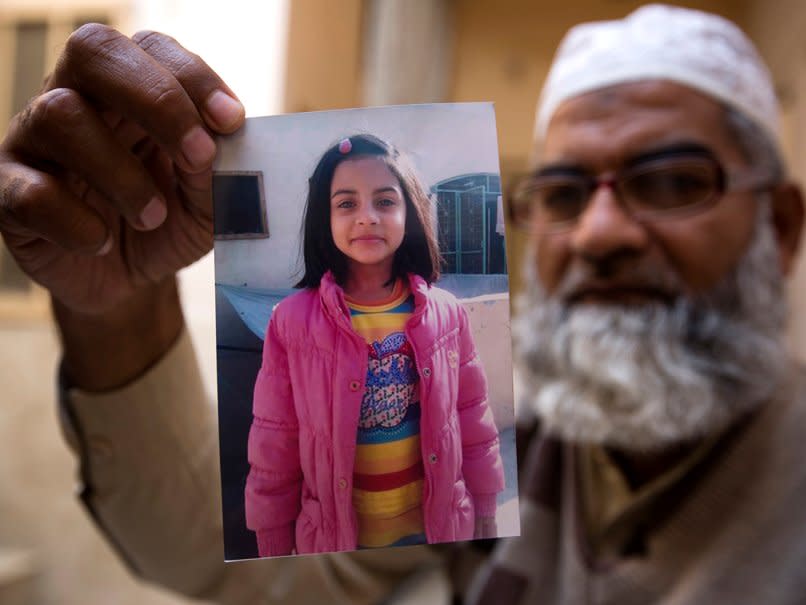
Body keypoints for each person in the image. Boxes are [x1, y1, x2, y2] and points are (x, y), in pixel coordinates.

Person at [1, 4, 805, 604]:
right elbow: (229, 567)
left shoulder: (454, 338)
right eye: (561, 192)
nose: (599, 232)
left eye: (670, 182)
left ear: (779, 225)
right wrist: (114, 300)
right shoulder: (529, 419)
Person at [245, 134, 503, 556]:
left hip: (438, 531)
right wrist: (271, 545)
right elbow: (274, 443)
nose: (367, 217)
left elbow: (473, 420)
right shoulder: (292, 323)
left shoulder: (446, 314)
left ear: (410, 213)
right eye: (346, 203)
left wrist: (487, 509)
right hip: (338, 544)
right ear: (324, 219)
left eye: (385, 201)